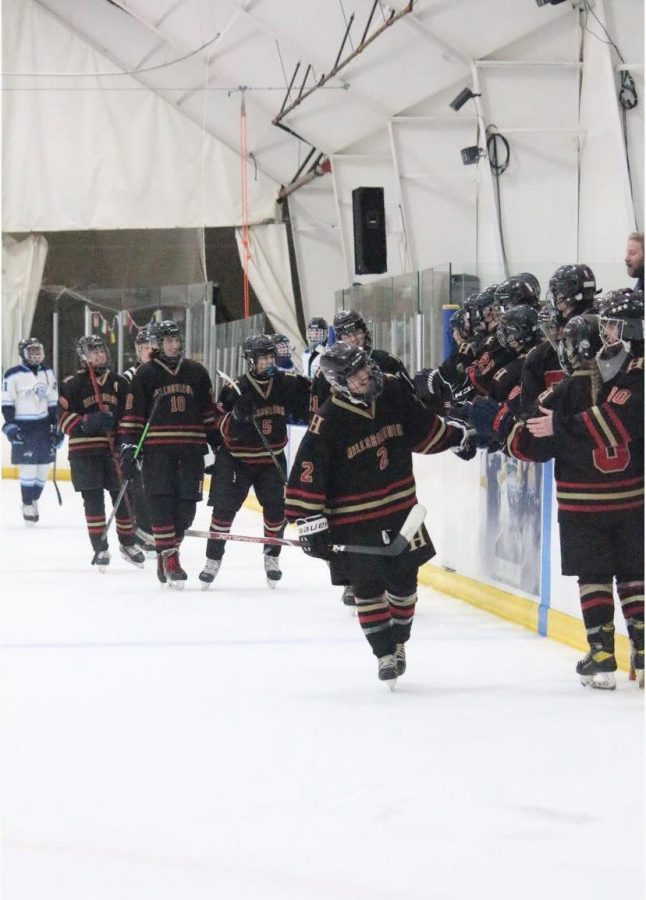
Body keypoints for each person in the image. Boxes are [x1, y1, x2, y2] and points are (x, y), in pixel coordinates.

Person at [284, 342, 470, 687]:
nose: (365, 378)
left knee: (405, 585)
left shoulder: (393, 390)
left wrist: (457, 436)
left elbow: (423, 428)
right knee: (367, 588)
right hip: (353, 520)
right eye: (355, 376)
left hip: (401, 510)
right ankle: (384, 653)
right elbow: (309, 471)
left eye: (365, 368)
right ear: (339, 383)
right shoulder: (328, 420)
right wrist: (311, 523)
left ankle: (399, 643)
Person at [505, 301, 643, 690]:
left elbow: (523, 444)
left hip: (583, 505)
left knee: (594, 576)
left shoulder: (563, 393)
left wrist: (506, 423)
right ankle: (643, 646)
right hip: (633, 499)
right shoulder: (621, 381)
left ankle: (601, 654)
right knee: (634, 574)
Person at [199, 334, 310, 589]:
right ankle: (212, 561)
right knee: (223, 512)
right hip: (236, 460)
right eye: (263, 359)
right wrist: (237, 415)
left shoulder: (286, 383)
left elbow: (309, 404)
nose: (269, 363)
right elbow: (220, 428)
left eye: (272, 357)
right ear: (251, 361)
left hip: (271, 460)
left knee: (276, 511)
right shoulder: (234, 389)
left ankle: (271, 557)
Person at [118, 320, 217, 588]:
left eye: (176, 340)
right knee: (161, 503)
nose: (174, 345)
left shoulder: (196, 372)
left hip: (192, 450)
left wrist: (218, 444)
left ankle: (165, 552)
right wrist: (128, 448)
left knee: (186, 509)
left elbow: (209, 414)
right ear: (158, 345)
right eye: (168, 341)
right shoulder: (145, 374)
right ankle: (171, 558)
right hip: (157, 452)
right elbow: (133, 416)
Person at [58, 335, 144, 569]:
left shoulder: (120, 383)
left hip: (112, 451)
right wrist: (89, 421)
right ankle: (100, 546)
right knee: (93, 501)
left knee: (124, 498)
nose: (99, 355)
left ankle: (127, 542)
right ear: (83, 356)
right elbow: (62, 419)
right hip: (84, 453)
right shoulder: (71, 384)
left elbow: (129, 416)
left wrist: (125, 441)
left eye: (101, 351)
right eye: (93, 352)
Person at [2, 337, 62, 523]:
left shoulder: (48, 372)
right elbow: (7, 403)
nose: (36, 355)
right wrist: (11, 426)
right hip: (24, 427)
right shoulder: (12, 375)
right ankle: (27, 503)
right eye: (32, 351)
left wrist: (57, 427)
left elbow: (53, 402)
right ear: (23, 354)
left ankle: (34, 499)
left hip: (44, 427)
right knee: (28, 468)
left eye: (38, 351)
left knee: (43, 470)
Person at [121, 327, 155, 556]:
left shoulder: (163, 374)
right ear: (138, 351)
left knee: (154, 488)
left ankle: (150, 531)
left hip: (157, 440)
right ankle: (138, 531)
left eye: (154, 347)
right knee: (136, 487)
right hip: (133, 439)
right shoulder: (127, 378)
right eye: (145, 348)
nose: (150, 351)